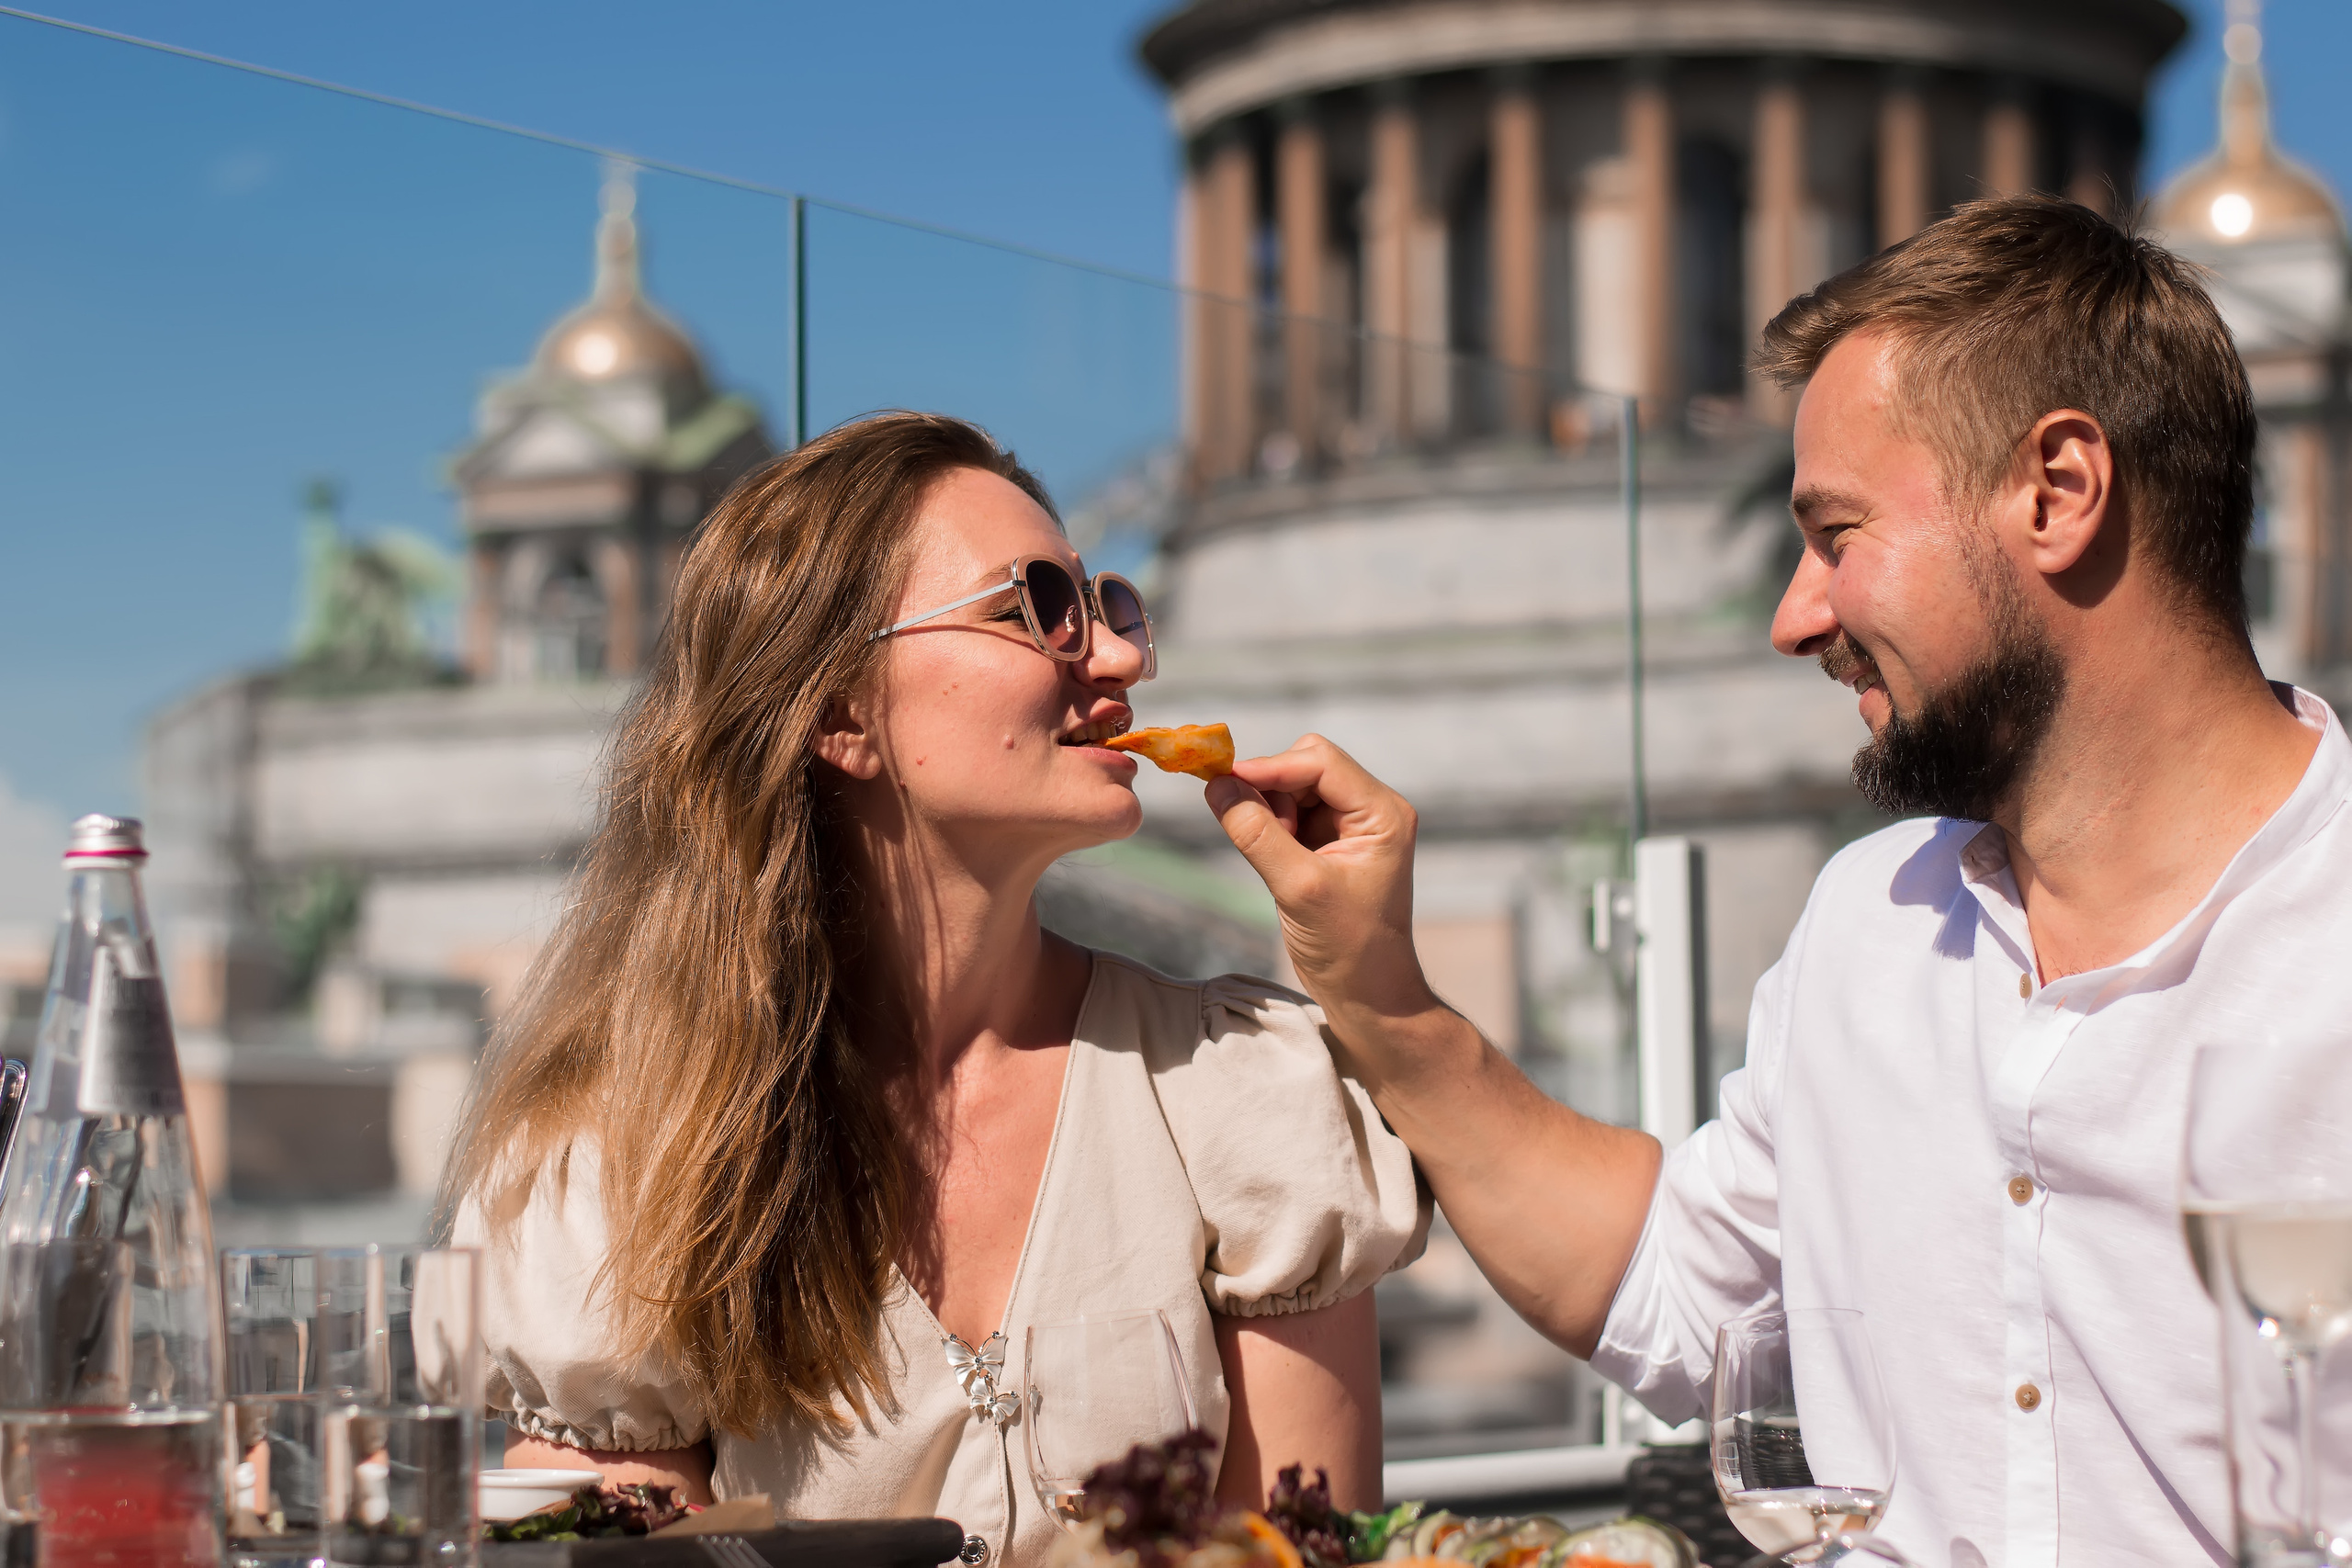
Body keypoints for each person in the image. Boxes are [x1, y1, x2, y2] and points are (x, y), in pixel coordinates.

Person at [1202, 197, 2349, 1566]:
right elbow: (1672, 1287)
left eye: (1838, 533)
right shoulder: (1870, 923)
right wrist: (1378, 990)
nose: (1790, 614)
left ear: (2057, 491)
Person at [443, 412, 1426, 1566]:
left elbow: (1301, 1559)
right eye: (1034, 607)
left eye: (1102, 604)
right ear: (840, 713)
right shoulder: (617, 1165)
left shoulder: (1245, 1090)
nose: (1117, 658)